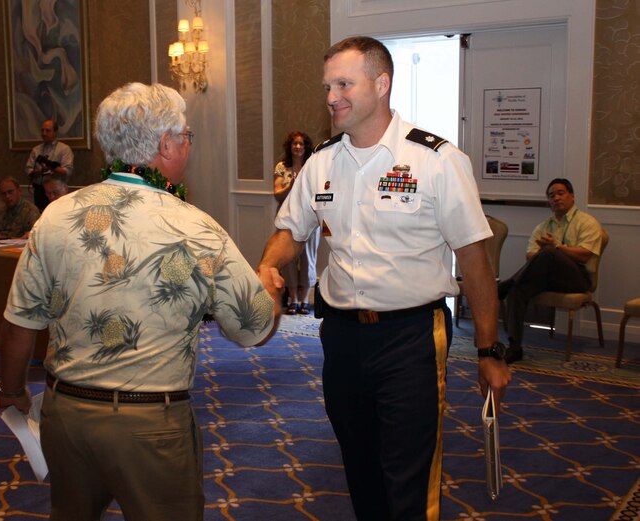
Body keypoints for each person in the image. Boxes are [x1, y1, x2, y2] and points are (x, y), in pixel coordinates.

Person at [0, 82, 281, 521]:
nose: (188, 144)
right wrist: (269, 282)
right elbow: (255, 329)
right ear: (165, 145)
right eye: (186, 135)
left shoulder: (56, 215)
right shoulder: (196, 227)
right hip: (150, 426)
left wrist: (12, 391)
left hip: (65, 414)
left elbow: (20, 323)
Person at [255, 36, 511, 521]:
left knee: (408, 476)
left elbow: (475, 265)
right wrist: (269, 264)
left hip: (410, 338)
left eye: (344, 84)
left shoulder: (436, 160)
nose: (332, 97)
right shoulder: (323, 161)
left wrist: (488, 350)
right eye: (328, 85)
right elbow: (290, 229)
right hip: (342, 338)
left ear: (381, 83)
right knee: (359, 465)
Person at [498, 178, 602, 363]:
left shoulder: (587, 222)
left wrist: (557, 248)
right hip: (546, 277)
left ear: (572, 196)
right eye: (551, 195)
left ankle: (505, 285)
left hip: (577, 279)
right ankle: (515, 348)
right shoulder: (544, 226)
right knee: (518, 291)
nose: (556, 198)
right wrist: (549, 251)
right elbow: (531, 257)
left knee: (549, 253)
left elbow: (585, 255)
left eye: (560, 193)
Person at [273, 131, 319, 315]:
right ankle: (293, 298)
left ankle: (305, 299)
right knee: (288, 259)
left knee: (308, 258)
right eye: (294, 144)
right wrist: (290, 185)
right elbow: (277, 194)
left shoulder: (313, 165)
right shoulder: (282, 167)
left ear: (306, 146)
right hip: (287, 217)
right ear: (289, 146)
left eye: (301, 144)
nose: (298, 147)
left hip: (309, 215)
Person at [24, 119, 74, 212]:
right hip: (39, 190)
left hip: (57, 191)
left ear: (55, 132)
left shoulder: (64, 149)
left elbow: (67, 172)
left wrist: (51, 167)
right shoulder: (36, 150)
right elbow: (28, 171)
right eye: (42, 130)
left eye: (47, 130)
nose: (44, 133)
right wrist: (40, 171)